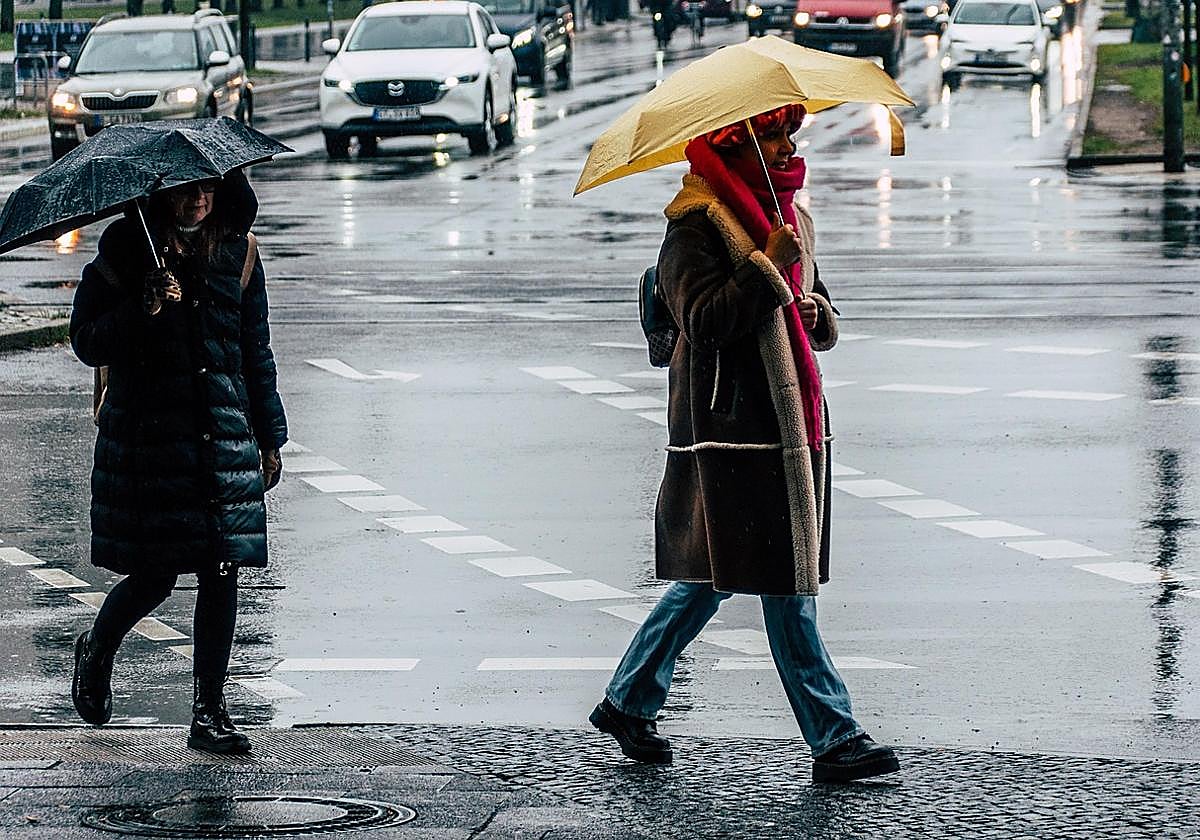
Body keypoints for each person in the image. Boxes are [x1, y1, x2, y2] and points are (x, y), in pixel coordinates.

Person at [589, 105, 900, 783]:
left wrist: (816, 313)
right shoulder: (694, 229)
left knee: (708, 578)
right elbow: (703, 323)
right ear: (733, 146)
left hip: (795, 427)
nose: (786, 145)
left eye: (787, 132)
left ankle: (628, 698)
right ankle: (834, 736)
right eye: (770, 135)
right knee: (786, 589)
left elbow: (811, 306)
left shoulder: (790, 216)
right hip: (734, 436)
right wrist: (766, 268)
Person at [68, 170, 288, 755]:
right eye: (187, 190)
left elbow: (254, 350)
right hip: (151, 443)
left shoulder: (238, 254)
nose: (198, 199)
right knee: (155, 575)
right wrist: (144, 307)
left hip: (220, 436)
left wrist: (270, 438)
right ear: (161, 195)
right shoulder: (125, 250)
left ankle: (209, 710)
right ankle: (96, 651)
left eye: (209, 190)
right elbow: (87, 340)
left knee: (222, 569)